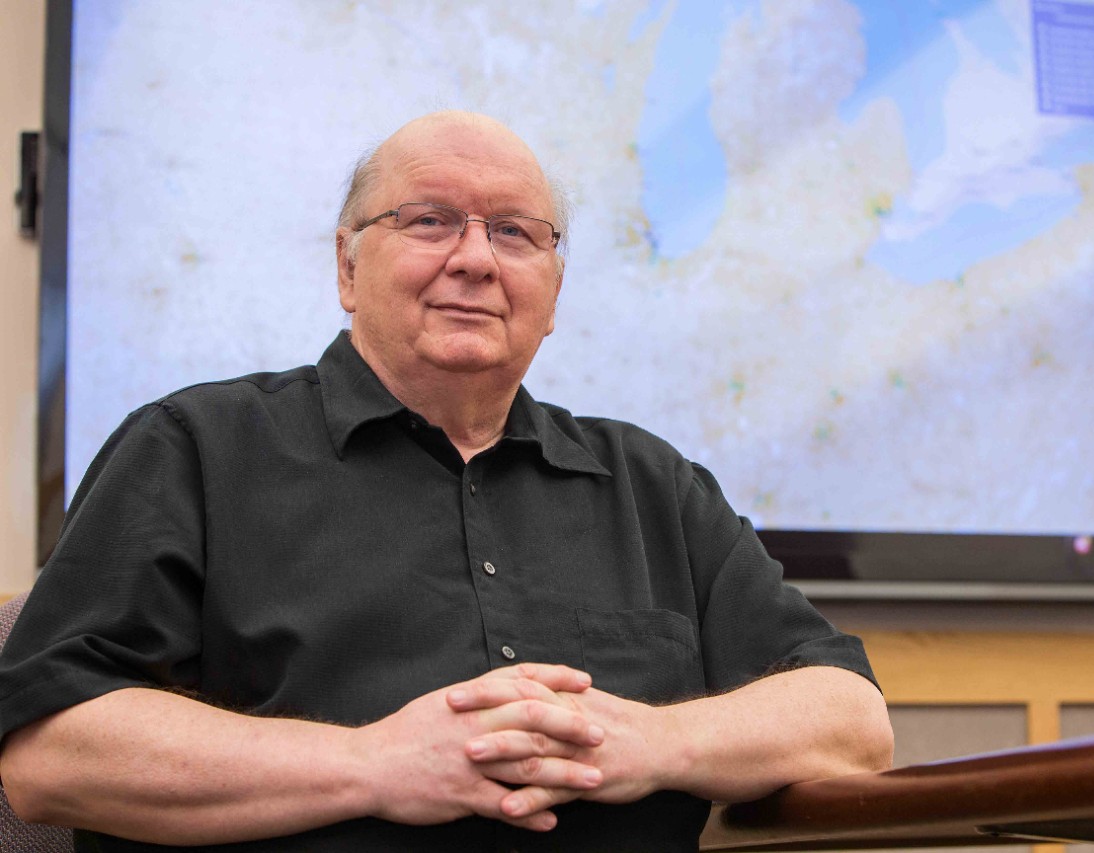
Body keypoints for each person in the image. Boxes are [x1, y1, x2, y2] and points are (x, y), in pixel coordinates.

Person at [0, 112, 892, 852]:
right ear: (347, 268)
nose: (476, 259)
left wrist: (653, 739)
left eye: (514, 233)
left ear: (553, 288)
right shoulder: (193, 446)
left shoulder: (649, 482)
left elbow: (850, 718)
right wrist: (375, 765)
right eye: (429, 220)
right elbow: (51, 753)